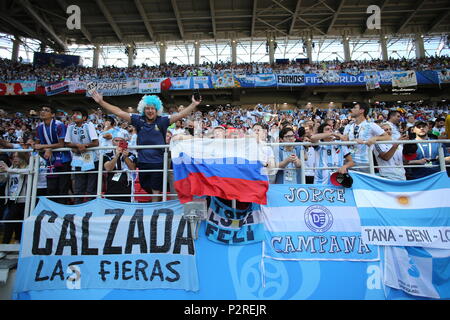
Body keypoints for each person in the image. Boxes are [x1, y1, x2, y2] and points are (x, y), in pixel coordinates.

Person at [91, 90, 201, 202]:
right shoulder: (138, 120)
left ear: (157, 109)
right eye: (147, 108)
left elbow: (180, 114)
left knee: (155, 189)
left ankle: (156, 209)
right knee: (145, 185)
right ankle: (155, 203)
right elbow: (119, 112)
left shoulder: (162, 121)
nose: (150, 110)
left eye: (152, 108)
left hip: (158, 162)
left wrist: (193, 104)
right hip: (143, 161)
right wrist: (101, 101)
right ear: (143, 109)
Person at [33, 105, 72, 204]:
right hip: (49, 160)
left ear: (53, 114)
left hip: (63, 159)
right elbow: (37, 144)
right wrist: (43, 147)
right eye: (42, 110)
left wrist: (46, 147)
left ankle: (62, 212)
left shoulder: (59, 125)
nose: (43, 112)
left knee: (62, 188)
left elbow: (61, 144)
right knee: (51, 188)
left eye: (46, 110)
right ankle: (52, 213)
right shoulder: (39, 127)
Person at [64, 108, 99, 204]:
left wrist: (85, 146)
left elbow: (96, 142)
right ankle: (78, 208)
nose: (74, 115)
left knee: (91, 187)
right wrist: (77, 146)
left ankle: (91, 208)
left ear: (84, 117)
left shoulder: (89, 125)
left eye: (78, 114)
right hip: (78, 158)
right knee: (79, 186)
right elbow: (66, 143)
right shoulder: (70, 126)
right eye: (74, 113)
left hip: (90, 157)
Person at [343, 102, 390, 173]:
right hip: (348, 161)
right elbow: (345, 144)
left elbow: (388, 137)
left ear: (362, 110)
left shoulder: (371, 125)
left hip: (364, 163)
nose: (351, 110)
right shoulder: (348, 126)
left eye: (354, 108)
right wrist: (352, 141)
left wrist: (375, 138)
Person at [0, 152, 29, 244]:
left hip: (22, 199)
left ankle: (5, 244)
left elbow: (27, 171)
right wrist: (2, 171)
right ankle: (17, 241)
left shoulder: (27, 166)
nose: (15, 159)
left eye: (17, 156)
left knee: (9, 221)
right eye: (13, 157)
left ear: (23, 157)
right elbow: (3, 180)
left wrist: (8, 169)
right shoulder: (12, 168)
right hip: (11, 199)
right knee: (16, 222)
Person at [103, 132, 137, 202]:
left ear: (125, 142)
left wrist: (125, 157)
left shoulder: (131, 154)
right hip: (112, 186)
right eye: (116, 141)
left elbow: (132, 168)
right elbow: (108, 168)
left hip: (127, 185)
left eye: (121, 141)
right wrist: (117, 155)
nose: (118, 143)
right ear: (112, 142)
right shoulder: (107, 155)